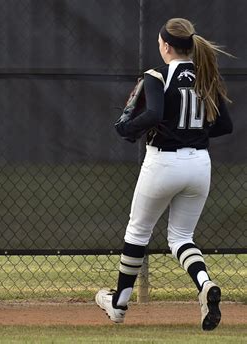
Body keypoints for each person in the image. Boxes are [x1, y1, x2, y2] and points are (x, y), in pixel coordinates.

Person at [95, 18, 233, 331]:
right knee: (182, 238)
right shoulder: (205, 74)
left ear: (166, 46)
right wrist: (194, 130)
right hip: (199, 164)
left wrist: (127, 129)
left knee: (138, 231)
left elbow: (154, 114)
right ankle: (205, 284)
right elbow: (225, 126)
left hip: (164, 162)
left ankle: (119, 304)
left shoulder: (157, 74)